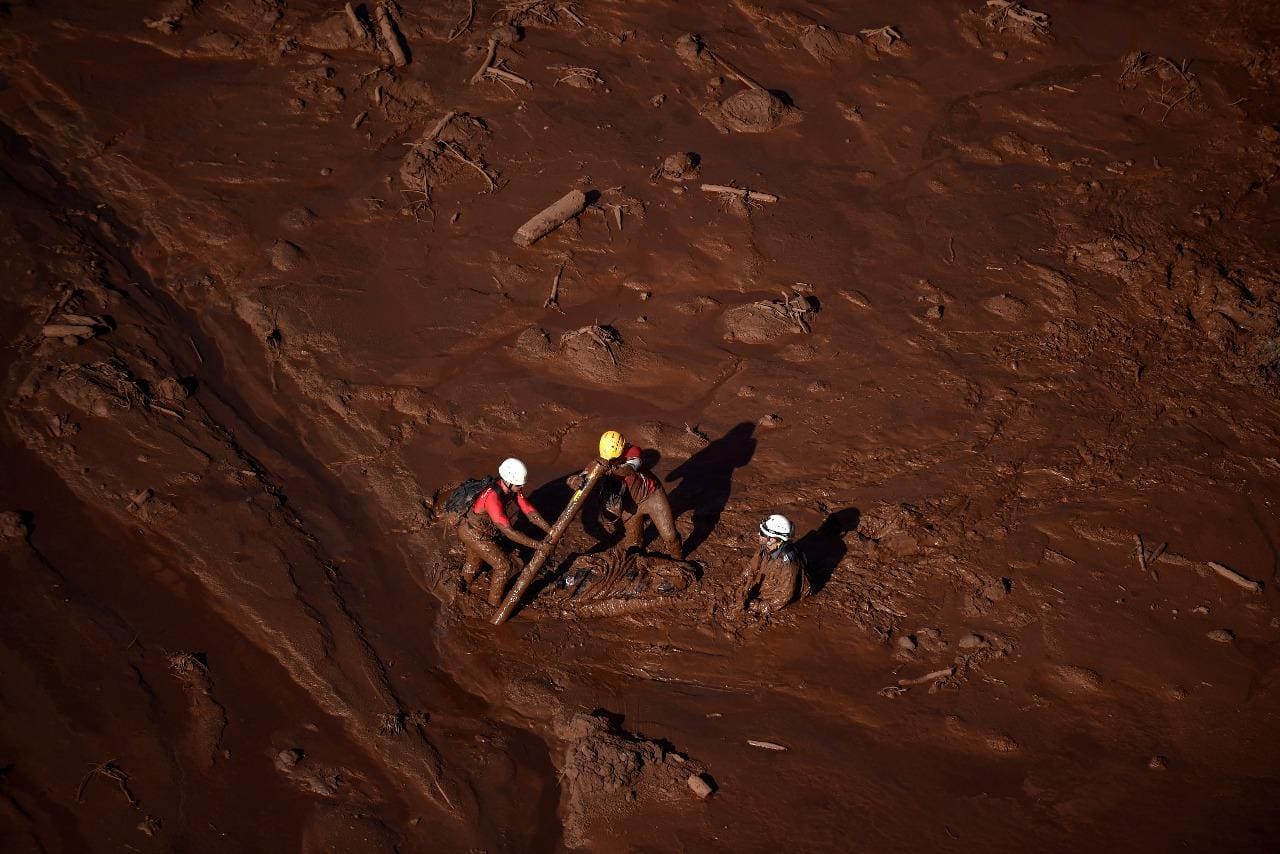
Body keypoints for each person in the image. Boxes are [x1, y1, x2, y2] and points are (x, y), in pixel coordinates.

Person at [568, 430, 683, 558]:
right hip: (630, 507)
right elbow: (584, 475)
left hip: (652, 496)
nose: (611, 460)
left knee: (670, 536)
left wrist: (611, 470)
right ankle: (638, 563)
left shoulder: (633, 451)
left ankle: (678, 558)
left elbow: (630, 469)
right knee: (634, 544)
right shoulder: (601, 462)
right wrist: (574, 480)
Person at [458, 458, 550, 606]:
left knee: (473, 564)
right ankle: (494, 604)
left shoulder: (513, 487)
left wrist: (549, 529)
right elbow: (509, 531)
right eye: (519, 485)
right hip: (474, 534)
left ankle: (460, 589)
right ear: (508, 481)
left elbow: (528, 510)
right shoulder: (493, 498)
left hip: (477, 530)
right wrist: (538, 545)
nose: (521, 487)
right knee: (504, 566)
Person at [738, 514, 806, 614]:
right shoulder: (766, 546)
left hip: (788, 592)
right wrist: (740, 583)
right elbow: (751, 566)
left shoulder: (788, 562)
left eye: (762, 533)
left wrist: (759, 607)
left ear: (773, 539)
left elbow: (785, 595)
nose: (758, 534)